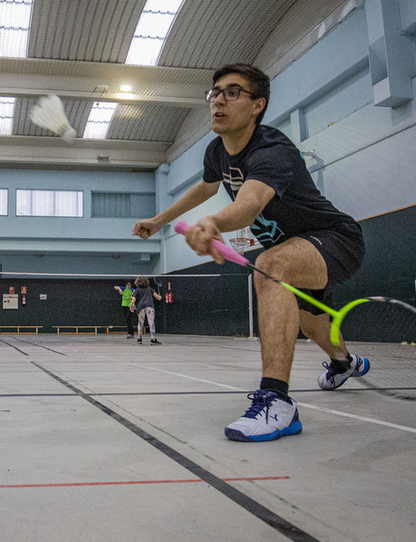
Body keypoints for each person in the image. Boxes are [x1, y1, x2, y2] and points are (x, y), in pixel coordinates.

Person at [132, 62, 367, 442]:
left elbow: (250, 203)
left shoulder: (272, 150)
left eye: (232, 92)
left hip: (334, 238)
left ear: (257, 105)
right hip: (294, 247)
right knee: (310, 323)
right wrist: (160, 221)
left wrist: (213, 224)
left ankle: (278, 402)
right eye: (215, 92)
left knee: (269, 265)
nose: (218, 100)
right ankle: (346, 363)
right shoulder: (217, 151)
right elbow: (206, 189)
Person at [131, 276, 162, 345]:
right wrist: (160, 297)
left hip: (140, 307)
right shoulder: (150, 289)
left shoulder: (137, 290)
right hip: (150, 306)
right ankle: (153, 339)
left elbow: (133, 299)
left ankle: (139, 338)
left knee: (140, 323)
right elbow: (158, 298)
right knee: (151, 322)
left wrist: (131, 306)